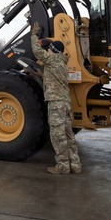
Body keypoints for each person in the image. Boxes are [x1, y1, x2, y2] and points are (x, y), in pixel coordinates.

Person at [31, 24, 81, 175]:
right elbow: (55, 79)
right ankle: (75, 165)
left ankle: (63, 166)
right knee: (68, 135)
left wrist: (33, 35)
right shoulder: (62, 64)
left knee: (57, 136)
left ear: (53, 50)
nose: (48, 50)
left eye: (50, 48)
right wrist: (40, 75)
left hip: (56, 104)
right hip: (65, 103)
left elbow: (37, 51)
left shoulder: (52, 60)